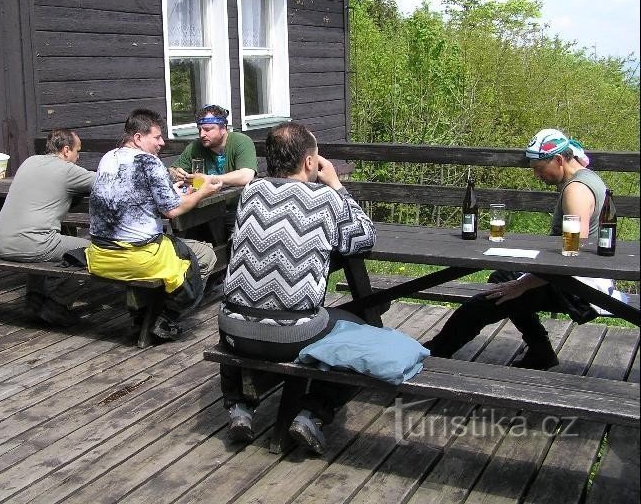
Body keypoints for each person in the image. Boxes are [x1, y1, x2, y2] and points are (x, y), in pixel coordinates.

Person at [218, 122, 376, 455]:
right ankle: (313, 414)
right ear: (309, 163)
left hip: (233, 332)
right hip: (291, 337)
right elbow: (363, 238)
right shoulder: (325, 198)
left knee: (240, 306)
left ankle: (240, 408)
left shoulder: (251, 191)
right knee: (365, 328)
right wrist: (336, 184)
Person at [424, 128, 617, 370]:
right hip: (579, 278)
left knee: (487, 302)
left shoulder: (575, 190)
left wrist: (522, 284)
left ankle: (432, 353)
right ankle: (541, 352)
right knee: (501, 279)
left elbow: (573, 254)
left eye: (538, 167)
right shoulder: (587, 177)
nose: (536, 174)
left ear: (558, 160)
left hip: (579, 288)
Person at [86, 108, 222, 341]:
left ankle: (140, 315)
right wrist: (203, 193)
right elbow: (172, 210)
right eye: (157, 137)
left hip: (100, 255)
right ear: (138, 138)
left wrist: (172, 191)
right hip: (138, 257)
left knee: (172, 251)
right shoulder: (149, 162)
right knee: (205, 253)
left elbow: (135, 194)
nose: (162, 143)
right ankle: (164, 319)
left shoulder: (108, 157)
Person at [0, 129, 96, 324]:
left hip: (2, 243)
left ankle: (34, 300)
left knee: (41, 238)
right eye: (77, 151)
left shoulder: (29, 162)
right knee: (96, 253)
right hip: (32, 244)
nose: (78, 157)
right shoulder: (67, 170)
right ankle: (56, 306)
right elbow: (107, 182)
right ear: (66, 150)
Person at [168, 104, 257, 196]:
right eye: (200, 130)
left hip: (237, 206)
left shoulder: (241, 141)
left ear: (223, 129)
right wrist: (176, 174)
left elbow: (246, 175)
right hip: (205, 205)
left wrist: (210, 179)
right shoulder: (195, 146)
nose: (202, 134)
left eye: (207, 129)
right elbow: (171, 170)